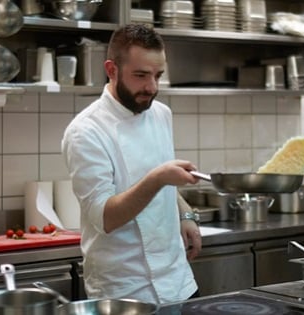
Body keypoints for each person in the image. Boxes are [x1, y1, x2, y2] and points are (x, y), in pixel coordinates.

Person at [61, 24, 202, 304]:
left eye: (158, 75)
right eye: (140, 75)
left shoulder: (161, 114)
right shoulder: (86, 132)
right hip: (124, 291)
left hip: (178, 280)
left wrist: (184, 214)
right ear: (111, 70)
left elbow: (164, 178)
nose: (152, 87)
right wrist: (158, 178)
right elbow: (105, 218)